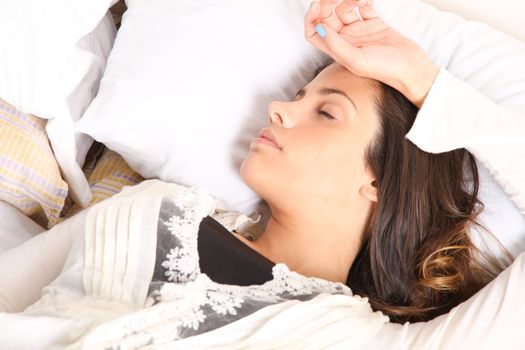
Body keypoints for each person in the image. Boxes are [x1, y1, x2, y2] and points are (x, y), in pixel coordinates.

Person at [0, 0, 521, 331]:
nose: (280, 109)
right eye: (300, 94)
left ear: (379, 180)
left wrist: (423, 81)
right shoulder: (151, 208)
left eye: (326, 111)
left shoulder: (377, 339)